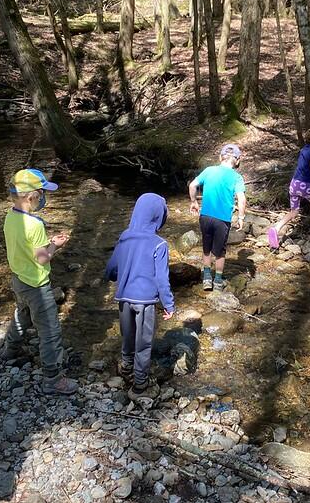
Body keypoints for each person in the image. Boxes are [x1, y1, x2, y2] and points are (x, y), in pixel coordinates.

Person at [0, 168, 79, 395]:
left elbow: (22, 247)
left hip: (18, 280)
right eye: (43, 193)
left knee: (22, 315)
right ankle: (53, 379)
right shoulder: (35, 225)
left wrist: (47, 241)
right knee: (50, 331)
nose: (44, 198)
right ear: (31, 197)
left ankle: (10, 349)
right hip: (37, 284)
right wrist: (54, 245)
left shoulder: (10, 216)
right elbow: (43, 258)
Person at [105, 193, 175, 400]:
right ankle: (140, 383)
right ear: (159, 218)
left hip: (124, 297)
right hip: (145, 302)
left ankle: (125, 366)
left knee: (127, 335)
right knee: (143, 342)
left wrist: (115, 277)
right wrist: (169, 305)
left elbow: (111, 268)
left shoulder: (125, 236)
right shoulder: (159, 244)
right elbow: (162, 280)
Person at [188, 144, 247, 291]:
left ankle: (207, 277)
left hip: (205, 216)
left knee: (206, 247)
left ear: (220, 157)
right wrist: (240, 217)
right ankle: (218, 280)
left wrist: (194, 202)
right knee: (220, 251)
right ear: (237, 161)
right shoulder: (237, 177)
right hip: (223, 220)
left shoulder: (209, 171)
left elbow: (192, 185)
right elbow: (242, 198)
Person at [267, 126, 310, 249]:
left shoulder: (305, 149)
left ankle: (276, 228)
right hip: (306, 185)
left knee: (294, 211)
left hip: (294, 184)